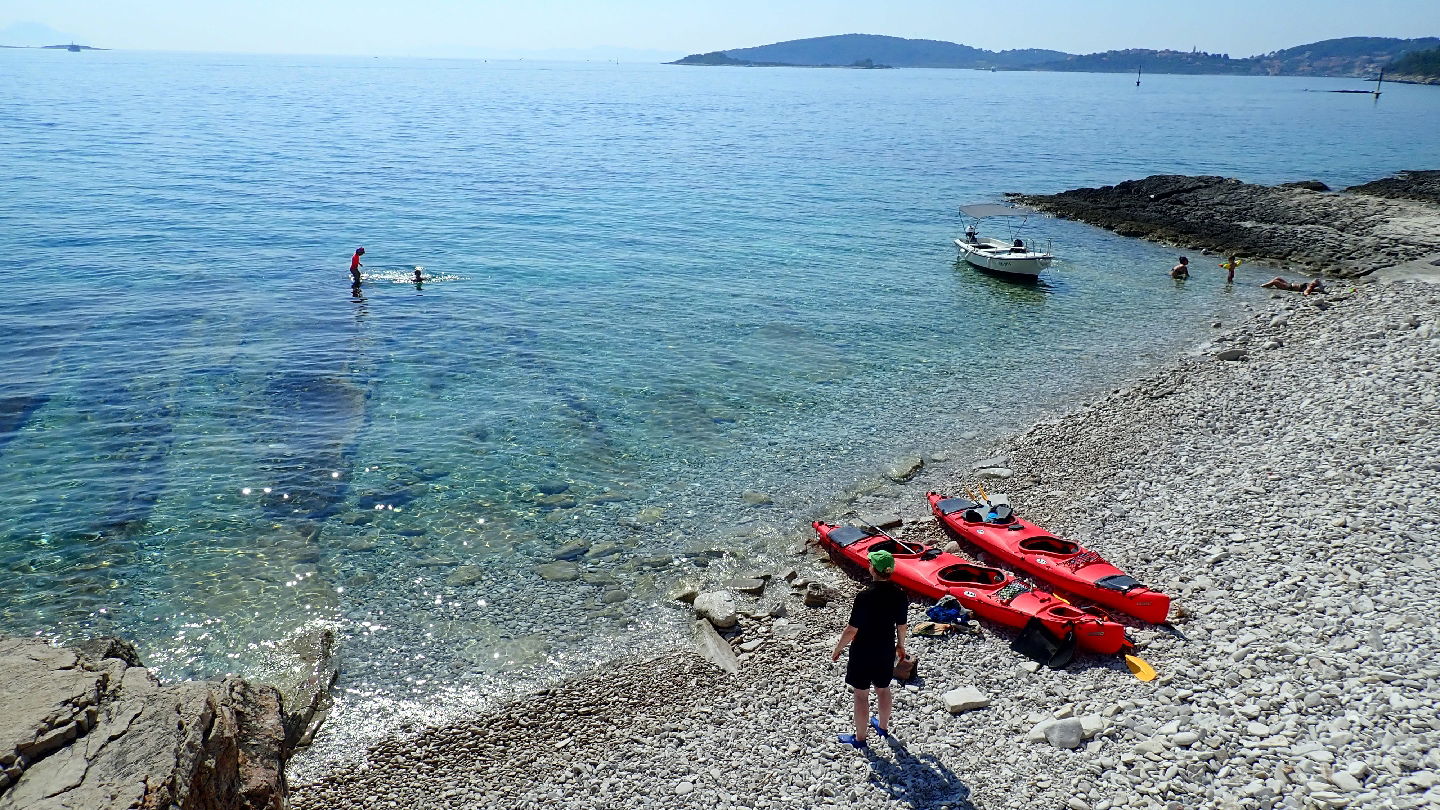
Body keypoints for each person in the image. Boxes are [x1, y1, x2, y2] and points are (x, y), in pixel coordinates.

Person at [831, 549, 909, 748]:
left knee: (861, 694)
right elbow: (902, 626)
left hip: (863, 651)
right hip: (885, 649)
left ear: (873, 569)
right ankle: (882, 727)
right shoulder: (900, 595)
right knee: (883, 689)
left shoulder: (864, 597)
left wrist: (838, 648)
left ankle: (860, 739)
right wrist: (901, 645)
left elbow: (851, 630)